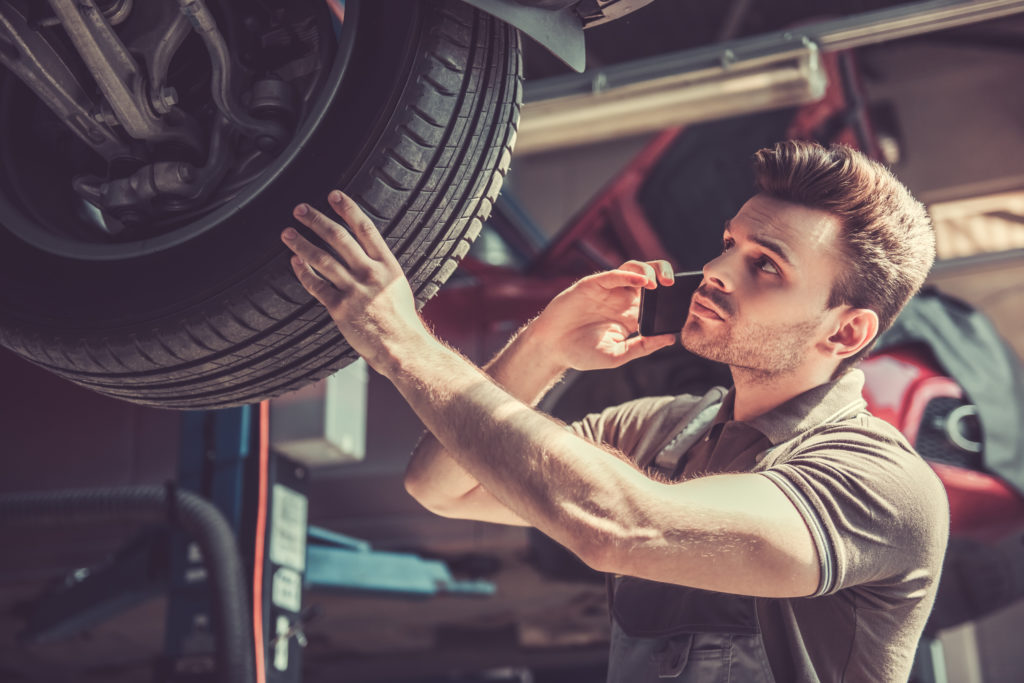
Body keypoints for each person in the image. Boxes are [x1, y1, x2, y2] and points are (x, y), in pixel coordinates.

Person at [280, 140, 949, 682]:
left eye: (765, 266)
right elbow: (441, 484)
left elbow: (622, 526)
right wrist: (543, 346)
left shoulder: (881, 485)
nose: (716, 269)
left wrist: (400, 340)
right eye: (729, 244)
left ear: (845, 332)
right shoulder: (660, 429)